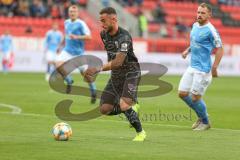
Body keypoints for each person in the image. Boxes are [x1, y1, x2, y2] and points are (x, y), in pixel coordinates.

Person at [84, 7, 146, 141]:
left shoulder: (125, 37)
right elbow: (111, 56)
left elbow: (118, 61)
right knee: (104, 109)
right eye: (100, 21)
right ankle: (131, 108)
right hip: (116, 74)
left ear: (114, 19)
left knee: (124, 104)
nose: (102, 24)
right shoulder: (103, 34)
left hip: (131, 72)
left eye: (104, 20)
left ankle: (140, 133)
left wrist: (97, 69)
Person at [178, 3, 223, 131]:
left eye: (203, 13)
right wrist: (187, 50)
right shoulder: (195, 25)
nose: (199, 15)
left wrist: (215, 68)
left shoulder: (211, 30)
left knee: (195, 97)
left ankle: (205, 122)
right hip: (192, 66)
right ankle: (201, 115)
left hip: (203, 70)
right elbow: (195, 42)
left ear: (209, 15)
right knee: (182, 93)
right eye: (198, 12)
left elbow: (220, 49)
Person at [55, 5, 97, 104]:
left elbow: (89, 37)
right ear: (68, 13)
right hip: (67, 51)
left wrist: (77, 37)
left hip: (78, 53)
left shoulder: (81, 24)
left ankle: (93, 91)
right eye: (70, 12)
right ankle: (69, 81)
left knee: (85, 75)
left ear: (77, 13)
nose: (72, 14)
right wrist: (60, 45)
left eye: (74, 12)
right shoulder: (66, 22)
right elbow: (66, 35)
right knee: (58, 64)